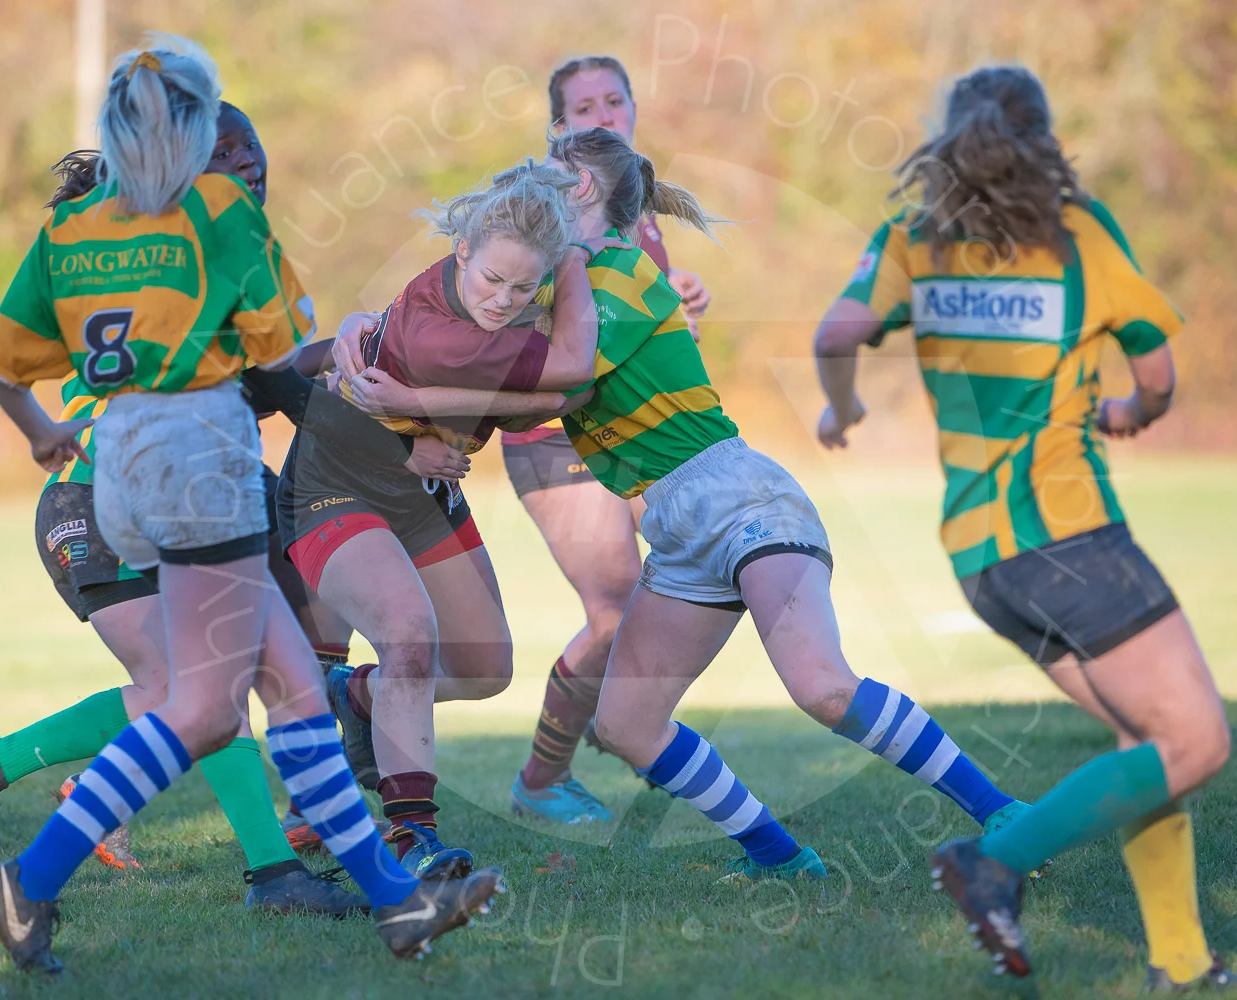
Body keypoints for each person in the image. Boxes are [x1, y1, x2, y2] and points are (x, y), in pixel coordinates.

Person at [340, 127, 1029, 885]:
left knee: (822, 688)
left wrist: (411, 396)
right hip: (673, 521)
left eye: (552, 176)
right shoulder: (548, 286)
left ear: (579, 194)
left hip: (737, 497)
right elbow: (445, 317)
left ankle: (1004, 814)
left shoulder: (623, 273)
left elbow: (558, 385)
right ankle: (779, 857)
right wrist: (360, 329)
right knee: (627, 725)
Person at [0, 35, 500, 975]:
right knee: (206, 710)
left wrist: (44, 432)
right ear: (199, 130)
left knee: (293, 686)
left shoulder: (74, 229)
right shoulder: (217, 212)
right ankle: (26, 883)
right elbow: (282, 343)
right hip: (202, 460)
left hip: (121, 461)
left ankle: (395, 904)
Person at [812, 66, 1237, 989]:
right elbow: (1159, 374)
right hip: (1069, 537)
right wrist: (1130, 414)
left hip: (984, 560)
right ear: (1043, 142)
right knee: (1195, 741)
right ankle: (995, 862)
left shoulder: (912, 239)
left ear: (950, 143)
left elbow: (833, 335)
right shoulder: (1077, 236)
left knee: (1150, 747)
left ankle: (1182, 966)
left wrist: (840, 412)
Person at [0, 101, 383, 917]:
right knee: (195, 692)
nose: (247, 169)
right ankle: (282, 874)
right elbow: (268, 380)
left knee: (188, 696)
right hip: (107, 504)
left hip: (169, 494)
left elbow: (262, 378)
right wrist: (366, 386)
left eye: (253, 153)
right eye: (224, 159)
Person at [272, 161, 624, 877]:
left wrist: (421, 409)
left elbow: (562, 393)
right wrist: (575, 264)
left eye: (525, 287)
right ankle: (412, 836)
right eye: (492, 280)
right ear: (461, 251)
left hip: (421, 493)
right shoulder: (447, 337)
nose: (504, 300)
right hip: (334, 486)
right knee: (406, 635)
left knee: (486, 668)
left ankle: (353, 695)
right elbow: (574, 368)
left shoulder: (500, 293)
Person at [501, 56, 712, 823]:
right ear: (555, 129)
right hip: (552, 432)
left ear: (633, 107)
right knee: (617, 606)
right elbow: (537, 326)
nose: (600, 115)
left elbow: (615, 306)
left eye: (613, 100)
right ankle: (542, 779)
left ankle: (627, 728)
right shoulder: (540, 213)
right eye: (581, 107)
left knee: (690, 591)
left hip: (625, 435)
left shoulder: (635, 207)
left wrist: (678, 292)